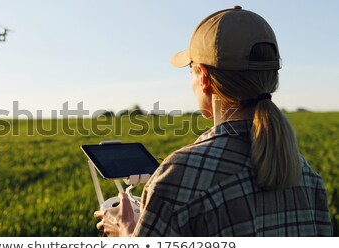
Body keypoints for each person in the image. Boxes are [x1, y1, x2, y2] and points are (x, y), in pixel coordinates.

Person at [94, 6, 333, 236]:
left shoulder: (179, 177)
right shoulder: (306, 175)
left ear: (204, 77)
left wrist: (126, 231)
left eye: (190, 71)